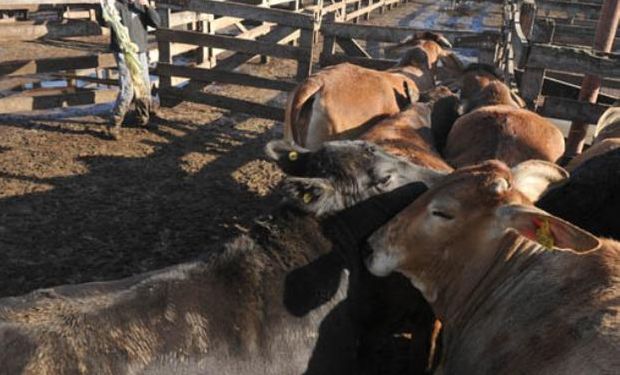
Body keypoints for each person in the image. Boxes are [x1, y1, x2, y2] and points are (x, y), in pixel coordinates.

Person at [98, 0, 161, 140]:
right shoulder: (115, 4)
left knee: (143, 85)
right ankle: (113, 125)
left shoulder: (140, 5)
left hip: (141, 50)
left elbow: (156, 22)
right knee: (128, 89)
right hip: (123, 50)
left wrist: (147, 6)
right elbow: (104, 22)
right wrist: (104, 7)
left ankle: (142, 119)